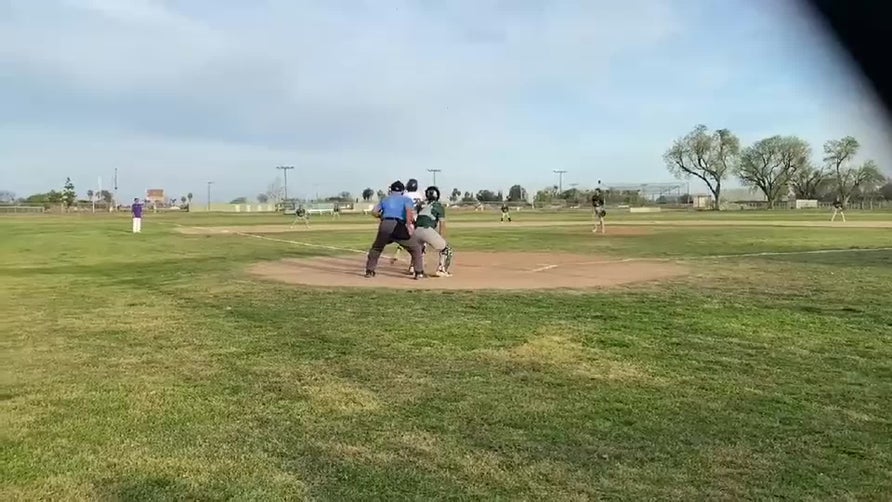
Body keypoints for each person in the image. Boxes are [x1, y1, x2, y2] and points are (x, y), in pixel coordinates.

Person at [365, 180, 425, 279]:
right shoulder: (406, 199)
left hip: (385, 225)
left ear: (391, 190)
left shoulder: (385, 199)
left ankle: (369, 271)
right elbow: (408, 212)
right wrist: (409, 225)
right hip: (399, 225)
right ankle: (419, 272)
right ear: (402, 190)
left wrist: (381, 216)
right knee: (416, 248)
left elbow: (374, 212)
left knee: (376, 248)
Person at [411, 186, 454, 277]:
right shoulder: (438, 206)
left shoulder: (421, 204)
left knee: (419, 248)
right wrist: (442, 238)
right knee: (446, 249)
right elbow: (442, 224)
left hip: (416, 230)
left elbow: (413, 216)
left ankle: (413, 268)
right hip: (426, 229)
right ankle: (441, 270)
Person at [390, 177, 425, 269]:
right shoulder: (419, 195)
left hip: (408, 220)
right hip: (418, 220)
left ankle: (400, 254)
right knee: (419, 243)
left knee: (407, 239)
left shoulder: (405, 195)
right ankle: (414, 265)